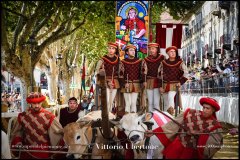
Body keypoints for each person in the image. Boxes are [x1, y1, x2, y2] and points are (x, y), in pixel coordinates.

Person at [146, 97, 223, 159]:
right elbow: (172, 125)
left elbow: (213, 145)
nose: (204, 110)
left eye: (208, 108)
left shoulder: (215, 126)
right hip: (177, 147)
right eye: (204, 107)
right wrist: (154, 132)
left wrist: (198, 134)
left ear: (213, 110)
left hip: (194, 153)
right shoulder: (190, 113)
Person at [11, 92, 64, 159]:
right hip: (26, 152)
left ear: (42, 102)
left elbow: (56, 136)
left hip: (44, 153)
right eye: (34, 103)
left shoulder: (49, 117)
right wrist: (18, 141)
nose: (37, 106)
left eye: (39, 103)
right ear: (30, 103)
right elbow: (17, 132)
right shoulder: (22, 116)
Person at [159, 46, 188, 115]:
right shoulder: (163, 63)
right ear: (167, 53)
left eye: (174, 51)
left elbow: (186, 73)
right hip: (165, 85)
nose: (173, 53)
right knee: (165, 102)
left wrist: (180, 82)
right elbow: (159, 75)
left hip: (175, 85)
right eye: (171, 52)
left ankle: (171, 115)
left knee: (170, 97)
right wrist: (160, 86)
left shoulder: (180, 62)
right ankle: (166, 118)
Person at [95, 42, 120, 113]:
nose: (111, 50)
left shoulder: (118, 59)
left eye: (113, 48)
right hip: (105, 81)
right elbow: (97, 71)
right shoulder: (102, 59)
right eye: (110, 48)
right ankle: (105, 117)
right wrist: (101, 71)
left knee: (111, 101)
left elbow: (120, 71)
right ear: (107, 49)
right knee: (106, 100)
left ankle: (110, 116)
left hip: (115, 82)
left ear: (115, 50)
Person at [119, 44, 142, 113]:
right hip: (126, 84)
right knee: (127, 103)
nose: (133, 52)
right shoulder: (122, 62)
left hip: (136, 84)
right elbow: (120, 74)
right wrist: (124, 83)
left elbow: (142, 73)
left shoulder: (139, 61)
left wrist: (141, 82)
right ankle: (127, 120)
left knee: (133, 103)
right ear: (127, 52)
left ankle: (133, 120)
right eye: (131, 50)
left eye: (134, 50)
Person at [142, 43, 165, 112]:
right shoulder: (146, 59)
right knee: (150, 102)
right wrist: (144, 80)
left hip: (158, 81)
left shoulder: (162, 58)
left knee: (156, 103)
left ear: (157, 49)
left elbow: (163, 70)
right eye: (150, 49)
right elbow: (144, 70)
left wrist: (161, 83)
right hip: (149, 81)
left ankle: (156, 119)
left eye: (153, 48)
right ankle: (150, 119)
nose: (151, 50)